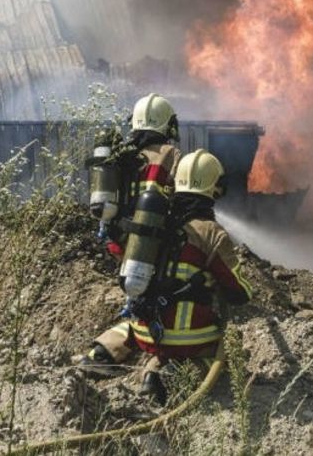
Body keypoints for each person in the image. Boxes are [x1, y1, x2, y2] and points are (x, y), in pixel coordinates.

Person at [80, 148, 252, 405]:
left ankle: (101, 352)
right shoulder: (211, 233)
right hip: (186, 340)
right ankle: (168, 377)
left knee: (130, 326)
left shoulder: (153, 221)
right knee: (224, 352)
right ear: (214, 188)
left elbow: (118, 251)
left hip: (145, 330)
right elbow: (239, 293)